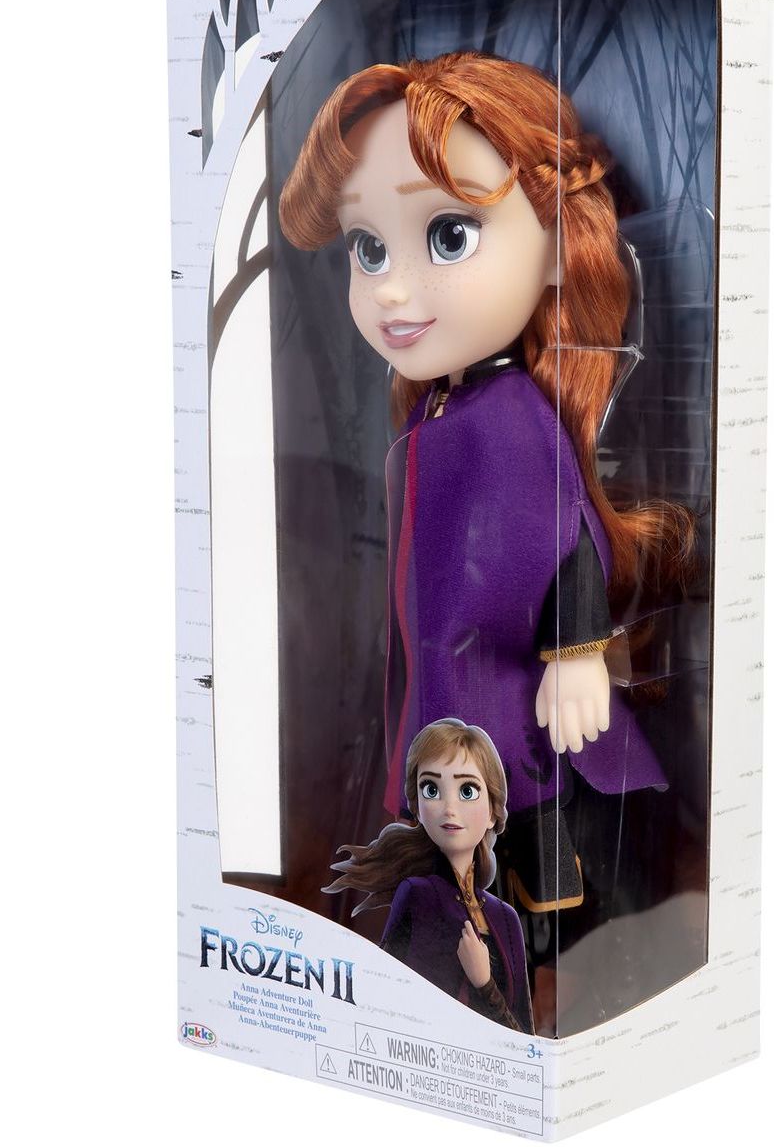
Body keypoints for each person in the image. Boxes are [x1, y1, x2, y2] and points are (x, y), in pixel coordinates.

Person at [280, 50, 693, 916]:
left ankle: (551, 919)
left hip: (507, 688)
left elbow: (570, 531)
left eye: (449, 235)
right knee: (465, 815)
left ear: (558, 243)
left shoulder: (513, 415)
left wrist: (577, 650)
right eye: (367, 247)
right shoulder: (438, 412)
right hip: (448, 686)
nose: (391, 290)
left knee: (524, 808)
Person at [324, 718, 534, 1034]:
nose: (449, 808)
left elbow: (526, 1040)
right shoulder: (418, 895)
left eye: (467, 791)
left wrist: (485, 983)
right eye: (431, 789)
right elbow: (391, 1006)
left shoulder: (505, 918)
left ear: (492, 811)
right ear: (418, 807)